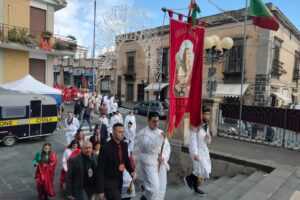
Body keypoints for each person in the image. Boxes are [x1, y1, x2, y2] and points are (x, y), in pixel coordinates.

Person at [96, 123, 137, 200]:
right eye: (120, 132)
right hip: (109, 183)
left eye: (123, 132)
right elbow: (100, 170)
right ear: (113, 132)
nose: (122, 134)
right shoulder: (105, 148)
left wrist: (131, 171)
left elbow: (126, 161)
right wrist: (100, 189)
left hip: (120, 181)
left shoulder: (124, 145)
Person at [138, 112, 169, 200]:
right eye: (154, 121)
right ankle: (146, 197)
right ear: (148, 121)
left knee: (162, 188)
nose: (156, 123)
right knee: (154, 189)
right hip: (149, 163)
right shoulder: (142, 133)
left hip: (160, 162)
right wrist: (160, 138)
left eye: (158, 121)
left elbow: (167, 148)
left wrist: (163, 156)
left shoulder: (161, 132)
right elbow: (148, 147)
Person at [184, 107, 212, 197]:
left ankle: (192, 182)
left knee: (204, 170)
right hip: (195, 150)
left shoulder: (206, 125)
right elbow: (192, 140)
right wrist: (195, 153)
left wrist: (208, 138)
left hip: (203, 150)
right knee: (200, 169)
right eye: (207, 114)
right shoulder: (195, 125)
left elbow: (208, 141)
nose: (208, 116)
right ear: (202, 114)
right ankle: (190, 180)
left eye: (209, 114)